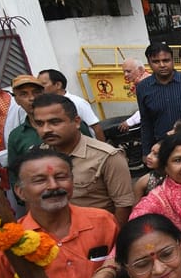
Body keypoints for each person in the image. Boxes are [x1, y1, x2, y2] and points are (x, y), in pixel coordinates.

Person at [0, 148, 118, 278]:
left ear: (72, 182)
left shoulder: (103, 221)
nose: (53, 186)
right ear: (20, 192)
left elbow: (125, 270)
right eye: (40, 180)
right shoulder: (5, 244)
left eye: (61, 177)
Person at [32, 93, 134, 227]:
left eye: (55, 122)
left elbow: (124, 206)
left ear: (76, 122)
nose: (46, 130)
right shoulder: (38, 157)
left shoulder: (107, 156)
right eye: (40, 124)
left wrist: (112, 236)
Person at [37, 69, 105, 141]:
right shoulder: (44, 105)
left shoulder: (78, 102)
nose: (39, 88)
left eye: (43, 84)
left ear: (58, 85)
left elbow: (96, 128)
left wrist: (102, 147)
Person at [117, 58, 150, 132]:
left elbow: (148, 110)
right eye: (124, 72)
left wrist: (129, 122)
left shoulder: (146, 84)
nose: (125, 75)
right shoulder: (141, 82)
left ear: (140, 70)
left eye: (128, 71)